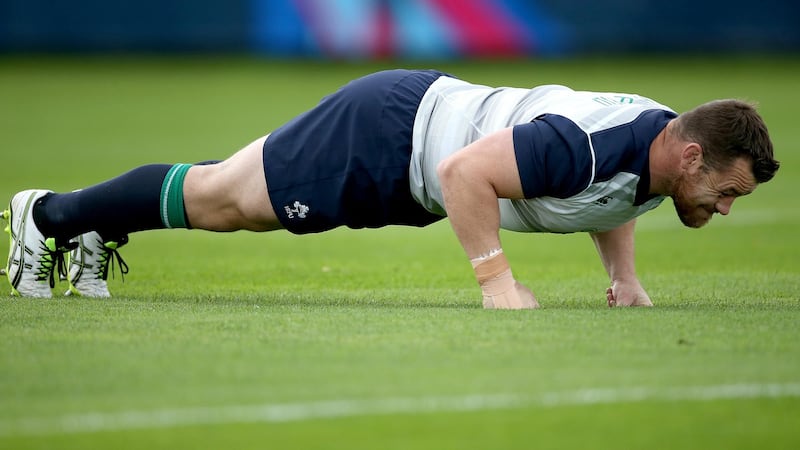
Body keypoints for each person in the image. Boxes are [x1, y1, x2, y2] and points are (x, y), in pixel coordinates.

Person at [3, 69, 779, 308]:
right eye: (726, 191)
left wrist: (624, 278)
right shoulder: (590, 144)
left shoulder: (662, 162)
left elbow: (612, 198)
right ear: (688, 155)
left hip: (410, 154)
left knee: (224, 196)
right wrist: (496, 282)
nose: (725, 206)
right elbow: (465, 172)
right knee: (221, 203)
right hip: (390, 135)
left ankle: (89, 226)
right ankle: (48, 216)